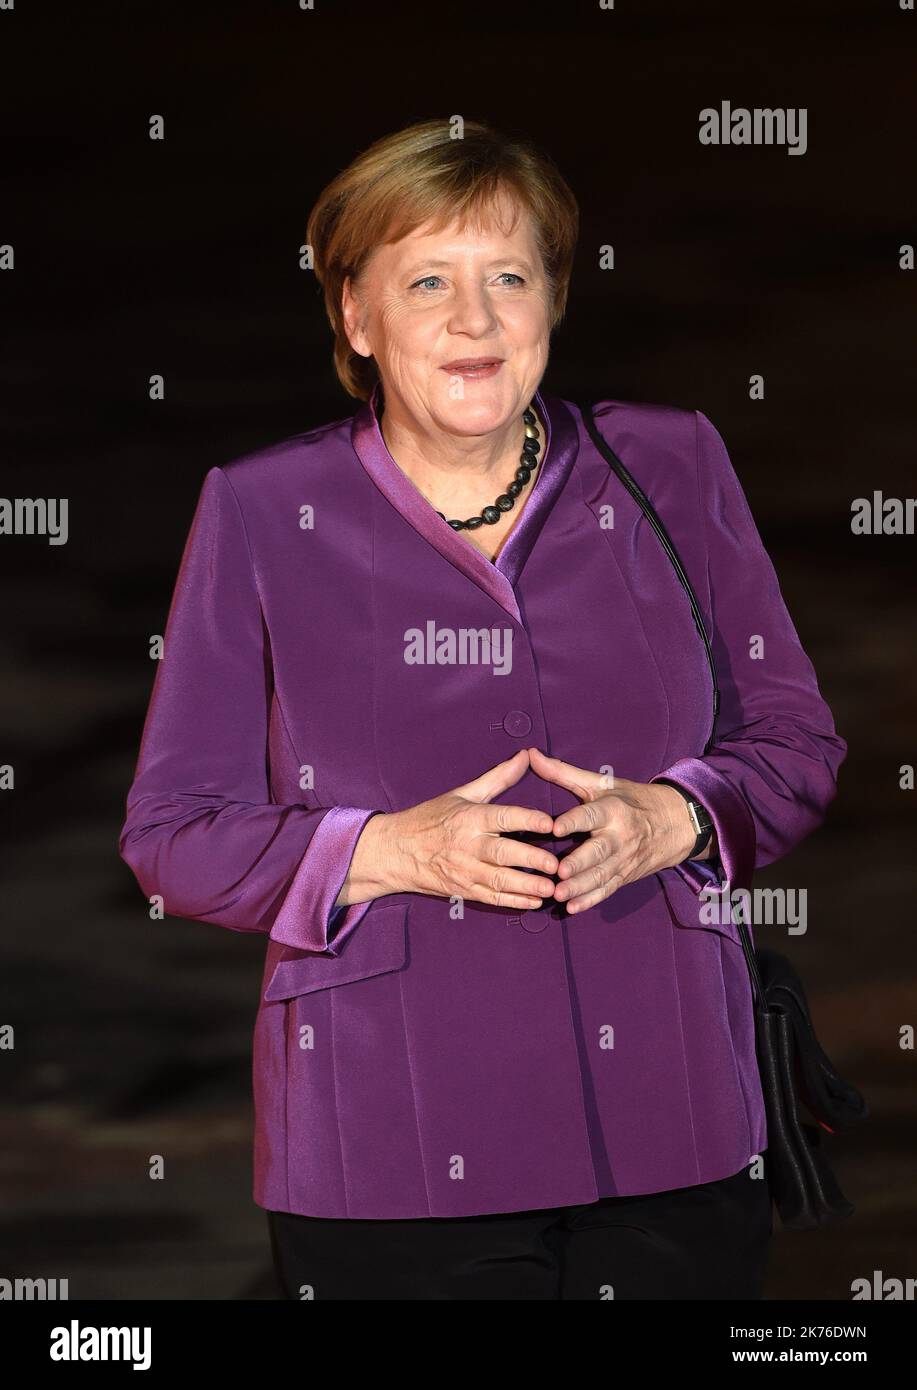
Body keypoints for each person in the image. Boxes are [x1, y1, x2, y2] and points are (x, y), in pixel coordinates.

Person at [119, 117, 846, 1300]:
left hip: (672, 1121)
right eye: (427, 282)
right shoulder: (261, 511)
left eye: (508, 276)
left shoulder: (668, 464)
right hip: (389, 1151)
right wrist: (389, 848)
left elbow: (794, 741)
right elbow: (170, 837)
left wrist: (673, 816)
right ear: (355, 317)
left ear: (552, 301)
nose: (475, 319)